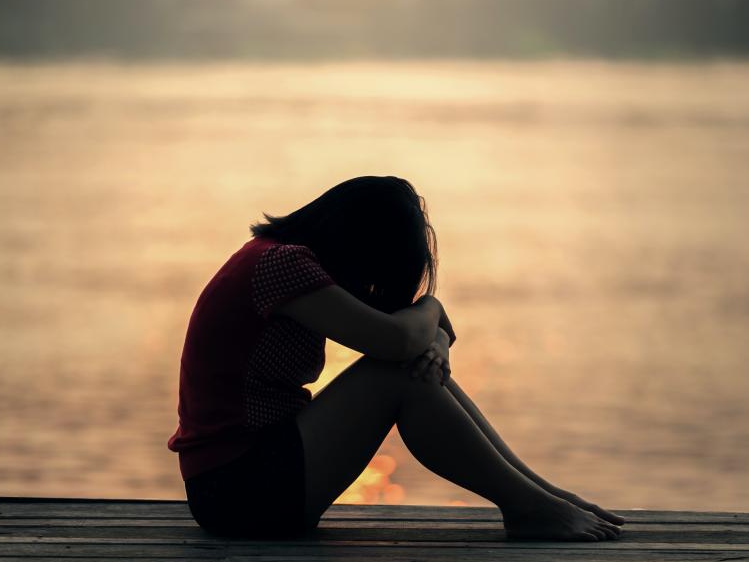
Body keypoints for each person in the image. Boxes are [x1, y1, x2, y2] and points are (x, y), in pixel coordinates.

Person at [168, 175, 625, 541]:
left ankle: (540, 496)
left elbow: (415, 338)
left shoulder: (280, 261)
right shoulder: (282, 265)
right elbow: (399, 340)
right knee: (394, 374)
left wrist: (436, 340)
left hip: (249, 483)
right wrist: (432, 308)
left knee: (406, 368)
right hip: (237, 492)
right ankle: (530, 506)